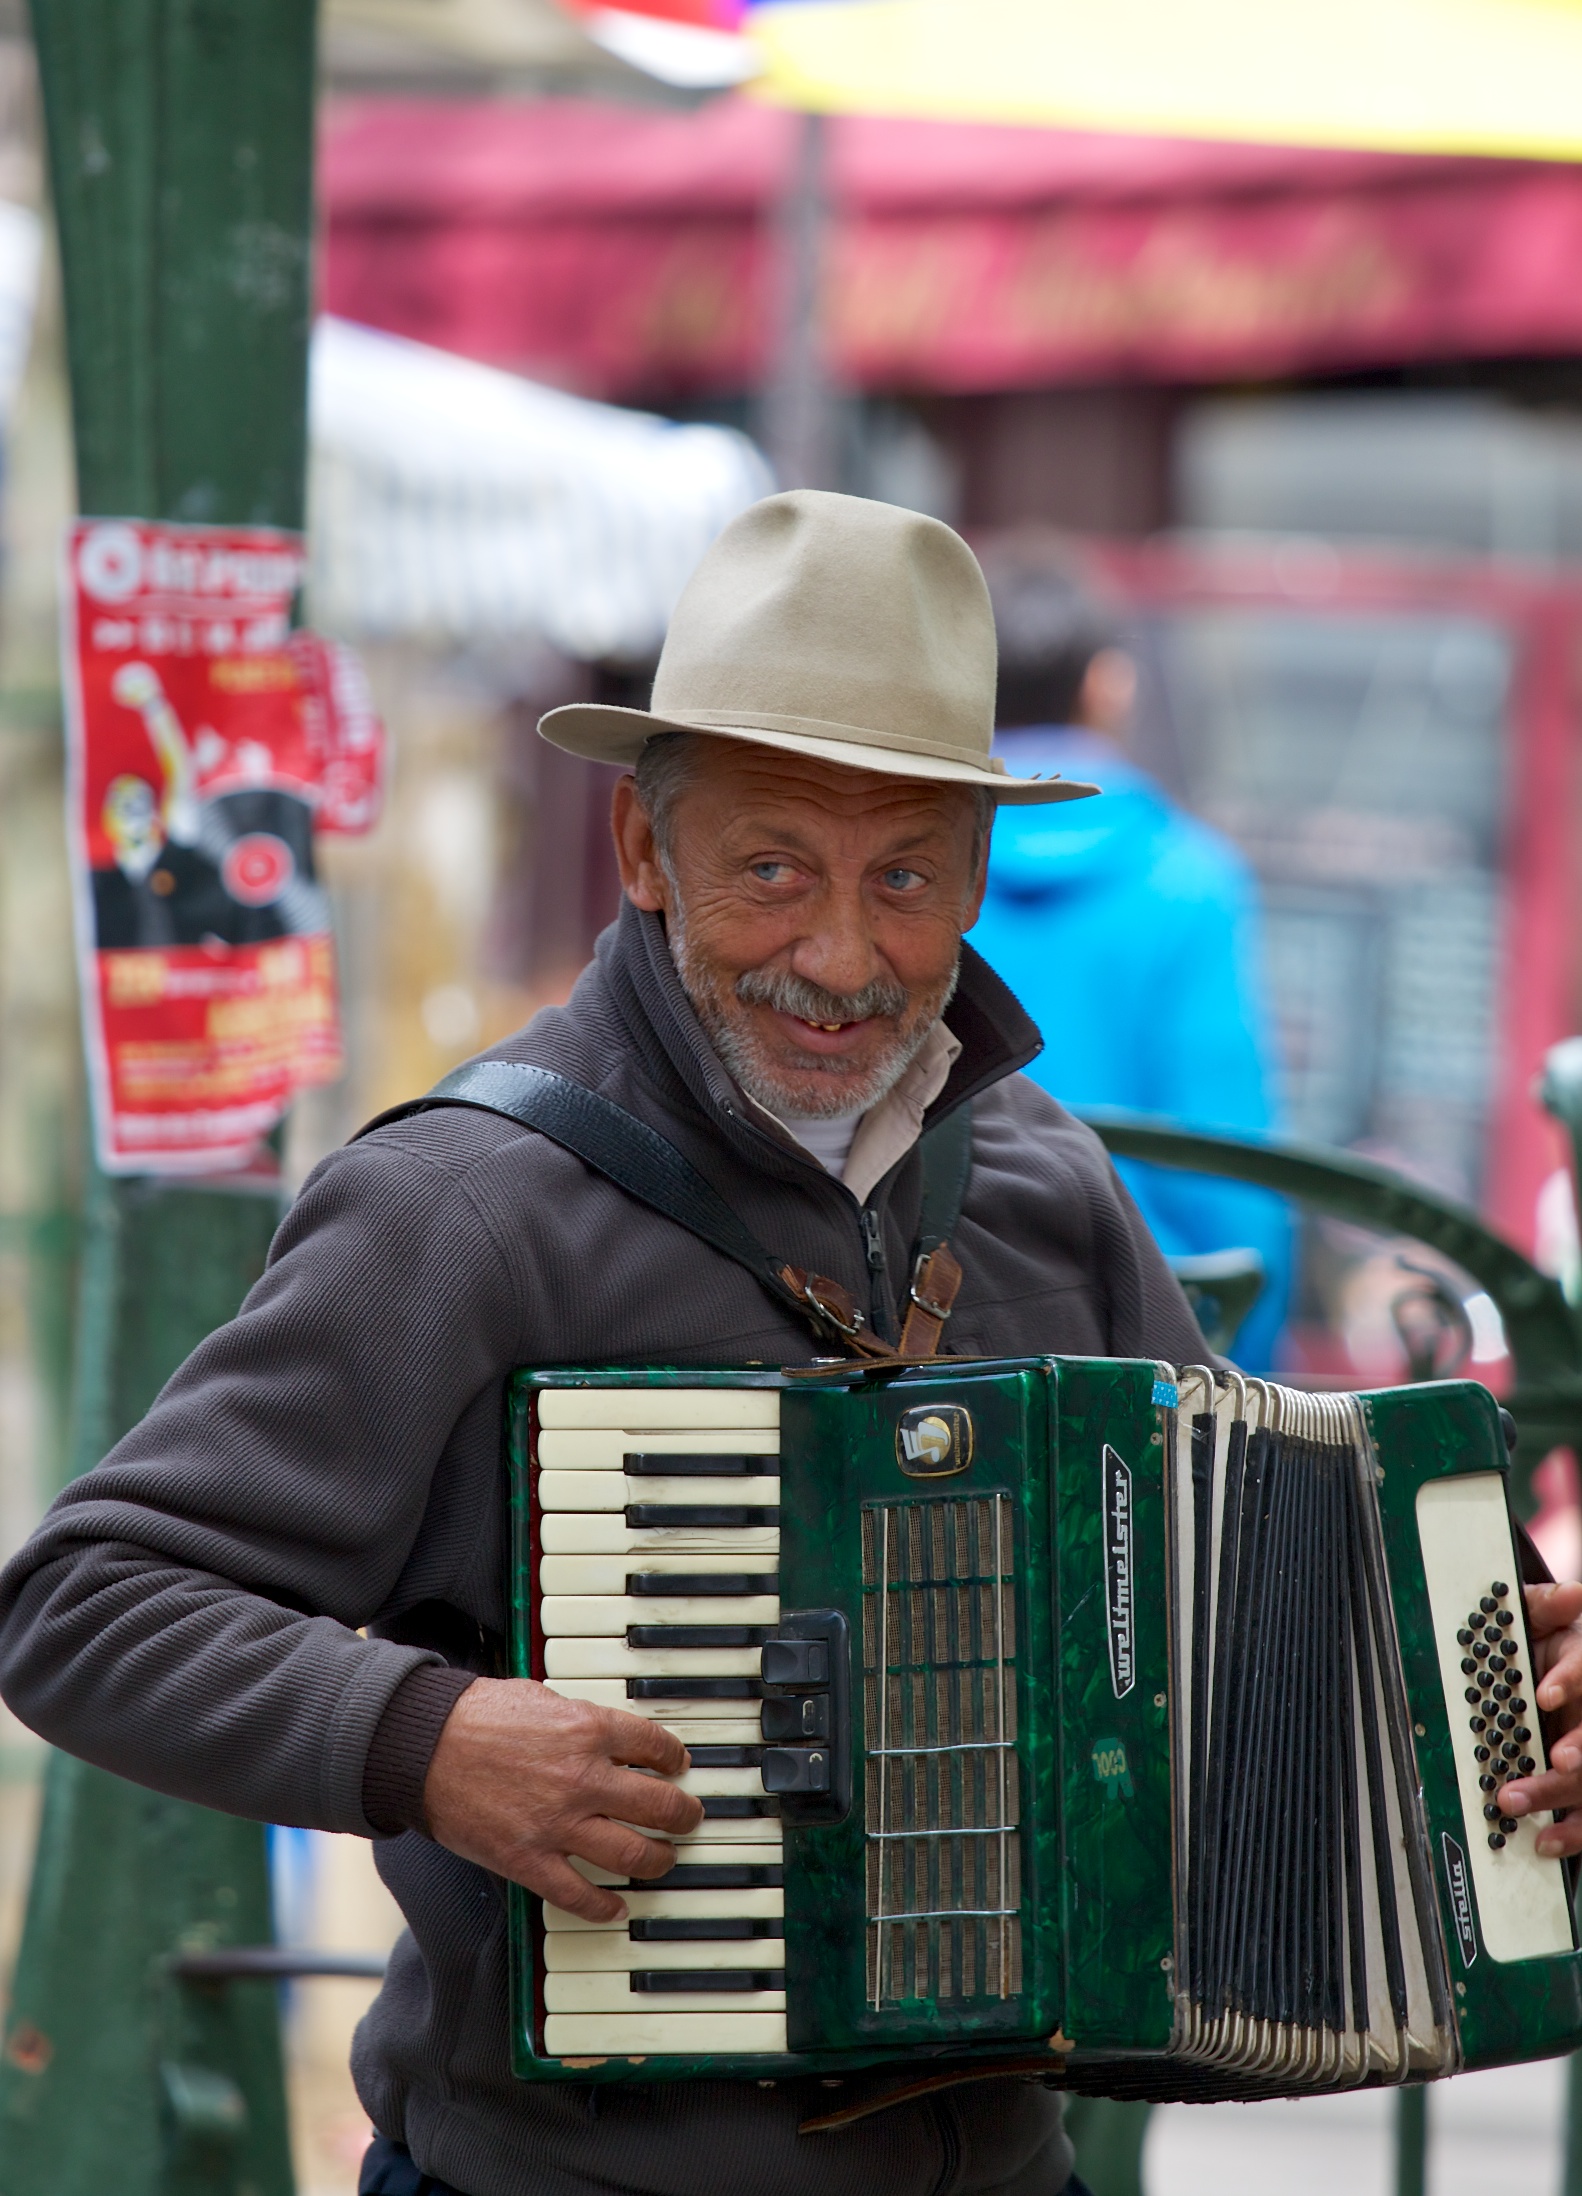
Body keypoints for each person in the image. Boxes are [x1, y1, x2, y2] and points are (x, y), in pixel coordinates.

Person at [4, 492, 1582, 2196]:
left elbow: (1258, 1620)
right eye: (769, 870)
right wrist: (430, 1742)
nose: (840, 954)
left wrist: (1503, 1702)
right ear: (639, 853)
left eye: (904, 878)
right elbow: (88, 1602)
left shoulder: (1042, 1184)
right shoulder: (464, 1203)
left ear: (977, 875)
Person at [968, 539, 1291, 1369]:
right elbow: (1233, 1180)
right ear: (1108, 686)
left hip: (938, 1333)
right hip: (1149, 1350)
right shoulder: (1192, 879)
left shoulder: (908, 877)